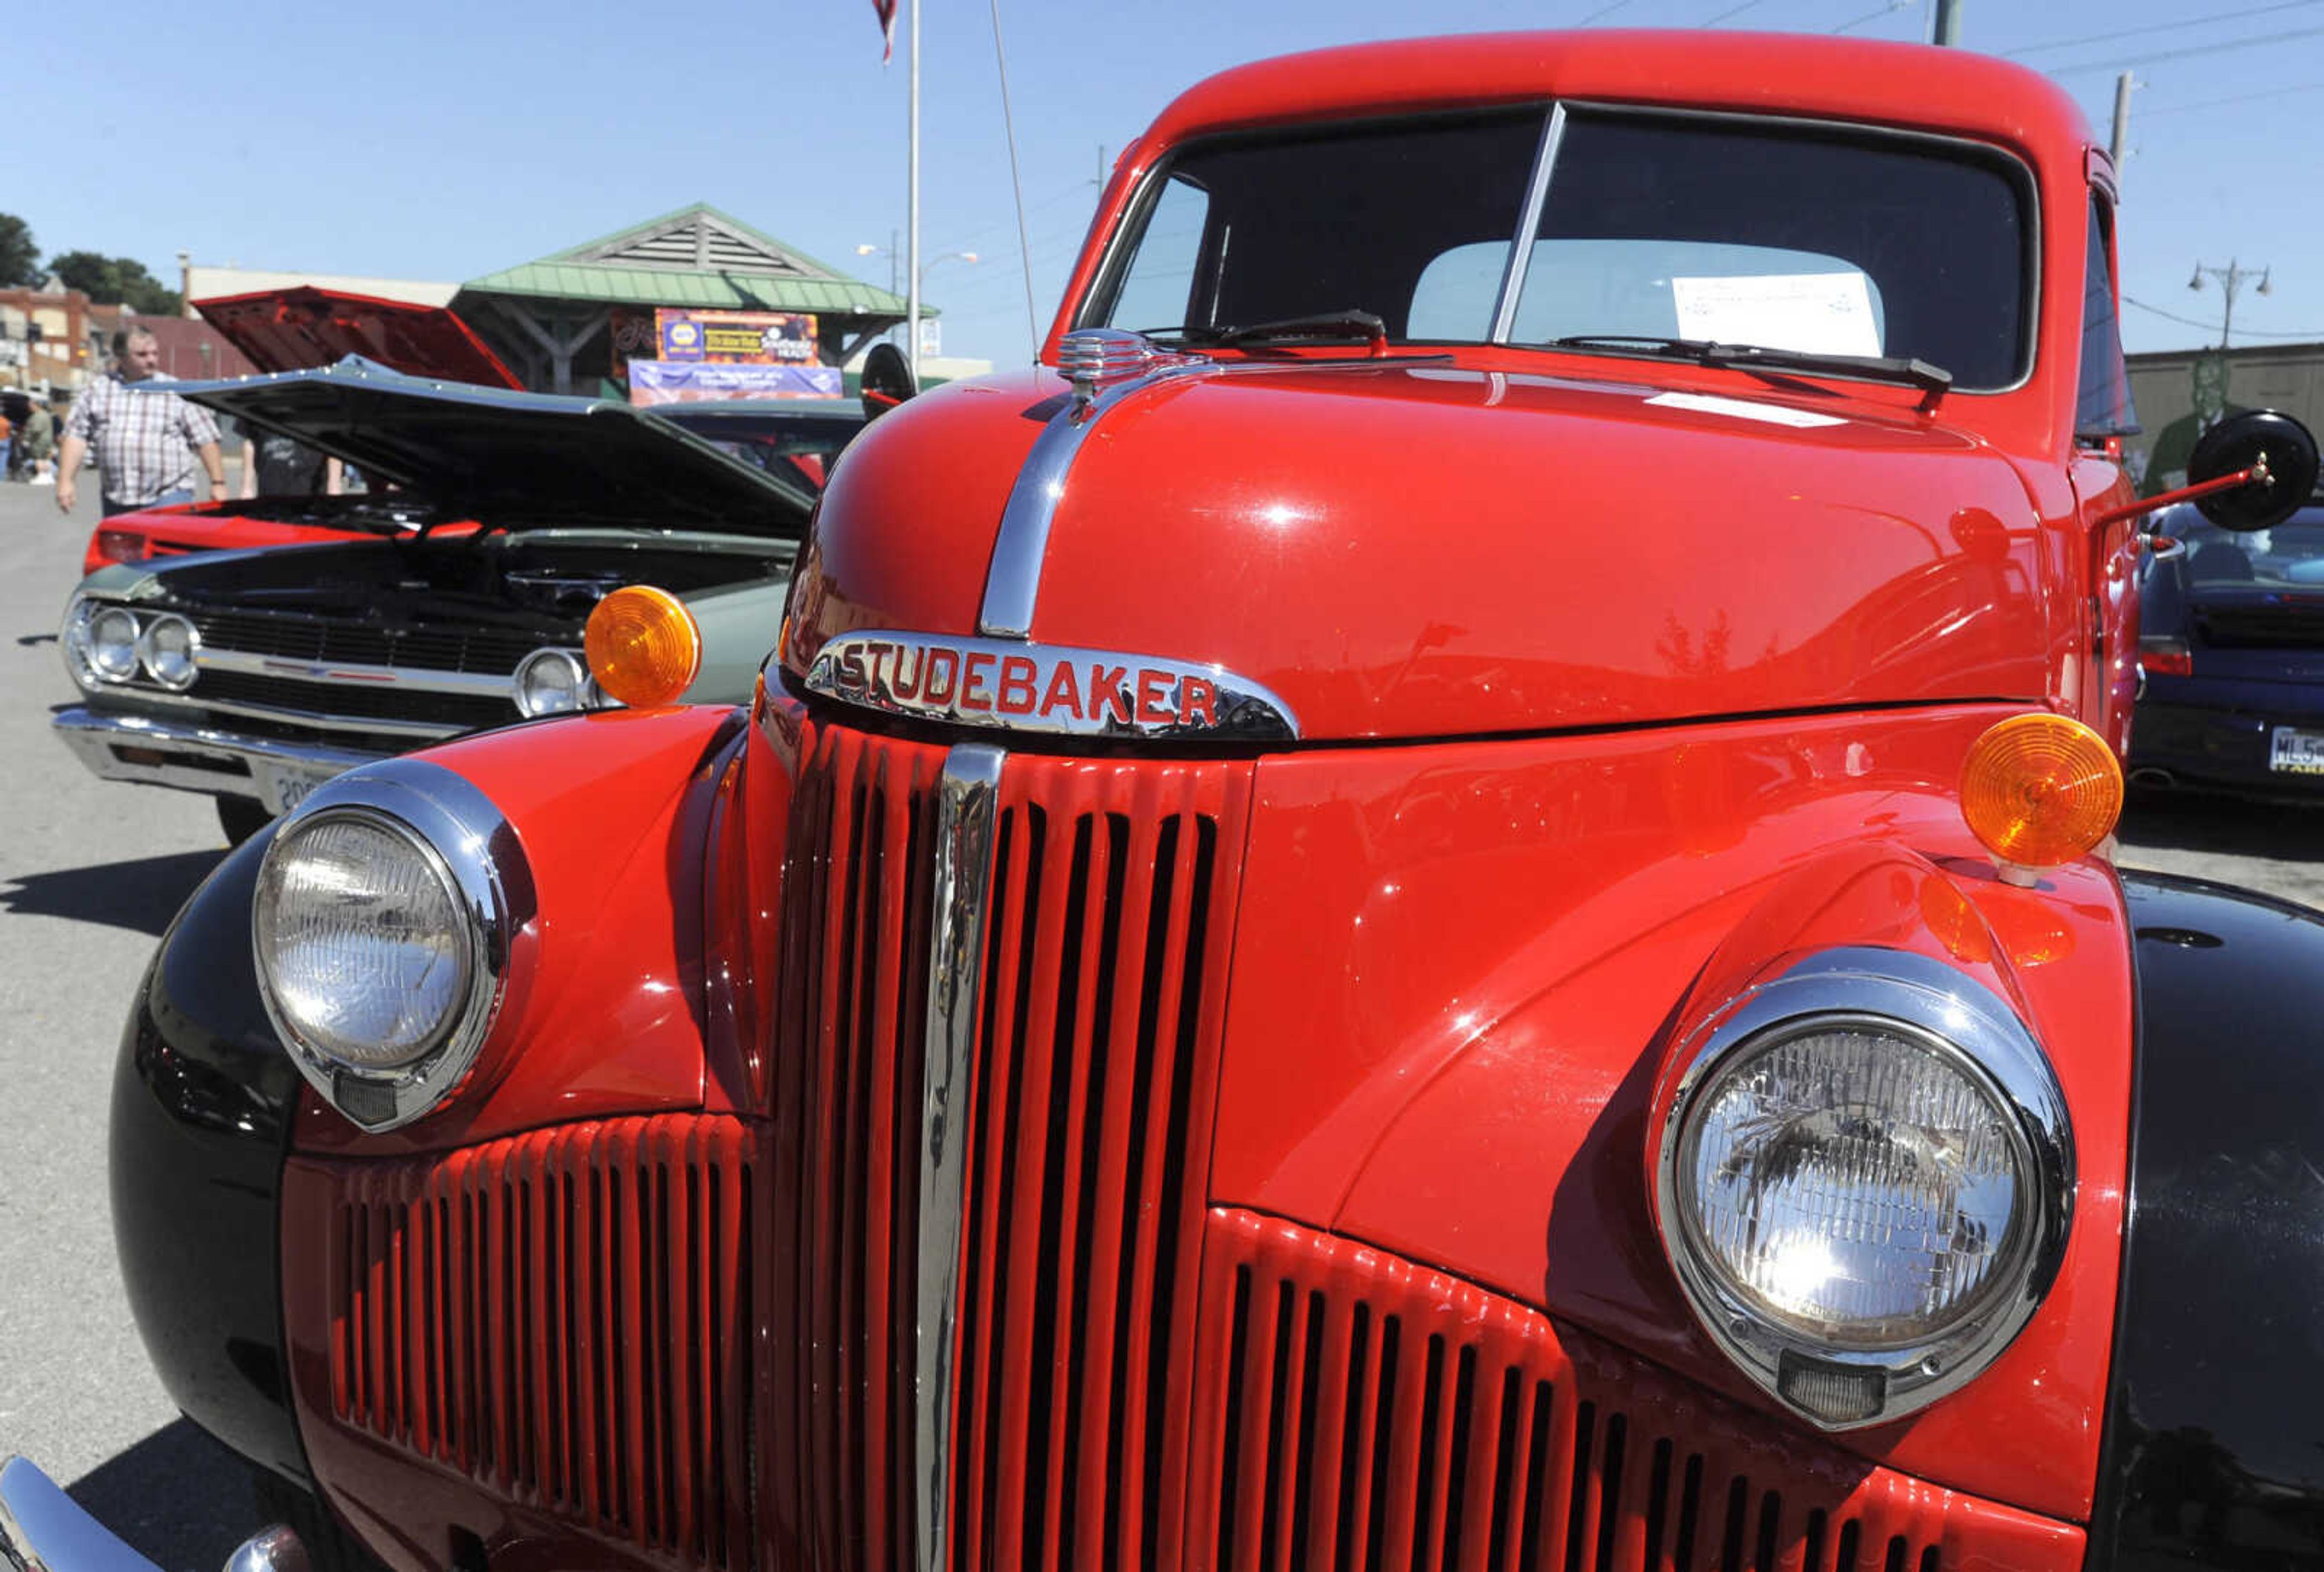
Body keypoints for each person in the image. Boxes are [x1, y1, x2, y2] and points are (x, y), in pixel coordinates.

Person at [55, 326, 229, 515]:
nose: (152, 360)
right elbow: (76, 436)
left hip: (169, 494)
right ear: (121, 356)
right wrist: (66, 481)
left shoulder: (175, 391)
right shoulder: (98, 390)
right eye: (142, 354)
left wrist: (218, 483)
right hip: (117, 498)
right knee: (121, 546)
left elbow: (205, 439)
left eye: (155, 353)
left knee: (164, 544)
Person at [240, 426, 341, 499]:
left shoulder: (321, 400)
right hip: (270, 491)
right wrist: (247, 488)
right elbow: (250, 443)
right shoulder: (260, 400)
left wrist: (334, 487)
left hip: (311, 491)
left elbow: (334, 444)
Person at [21, 400, 56, 485]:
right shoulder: (45, 414)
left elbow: (36, 430)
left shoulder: (38, 416)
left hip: (39, 441)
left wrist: (27, 439)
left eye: (31, 406)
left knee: (38, 459)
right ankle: (48, 477)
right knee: (45, 459)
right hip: (46, 440)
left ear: (36, 405)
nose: (29, 408)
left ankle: (41, 477)